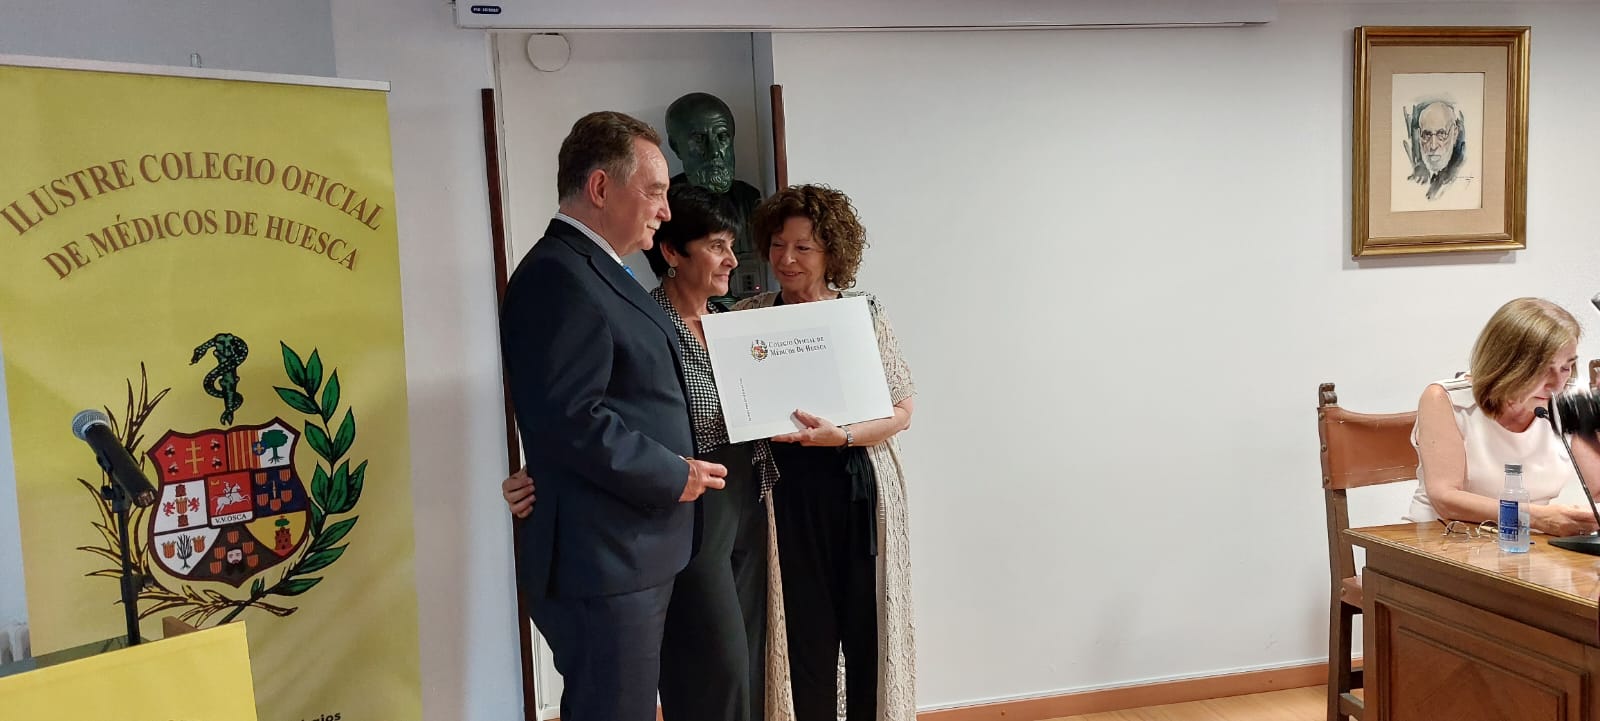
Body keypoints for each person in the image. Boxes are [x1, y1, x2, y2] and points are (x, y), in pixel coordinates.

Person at [503, 184, 791, 721]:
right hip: (686, 496)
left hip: (750, 493)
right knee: (714, 661)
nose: (731, 258)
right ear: (672, 253)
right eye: (714, 245)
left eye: (733, 245)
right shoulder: (642, 312)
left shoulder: (742, 320)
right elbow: (592, 409)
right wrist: (538, 473)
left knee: (747, 653)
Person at [498, 110, 728, 721]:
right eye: (654, 191)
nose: (666, 209)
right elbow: (573, 419)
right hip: (605, 560)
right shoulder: (557, 277)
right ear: (601, 187)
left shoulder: (601, 271)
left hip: (638, 548)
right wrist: (670, 473)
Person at [735, 184, 918, 721]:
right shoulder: (748, 316)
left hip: (857, 489)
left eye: (803, 247)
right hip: (783, 499)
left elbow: (902, 410)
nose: (785, 259)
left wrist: (838, 435)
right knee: (801, 638)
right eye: (776, 245)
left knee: (867, 633)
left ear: (832, 252)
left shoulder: (862, 314)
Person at [1408, 297, 1600, 536]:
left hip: (1529, 546)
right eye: (1543, 369)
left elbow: (1595, 490)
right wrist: (1537, 518)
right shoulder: (1445, 399)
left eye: (1565, 367)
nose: (1557, 383)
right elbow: (1445, 498)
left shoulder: (1565, 402)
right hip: (1443, 541)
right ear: (1507, 364)